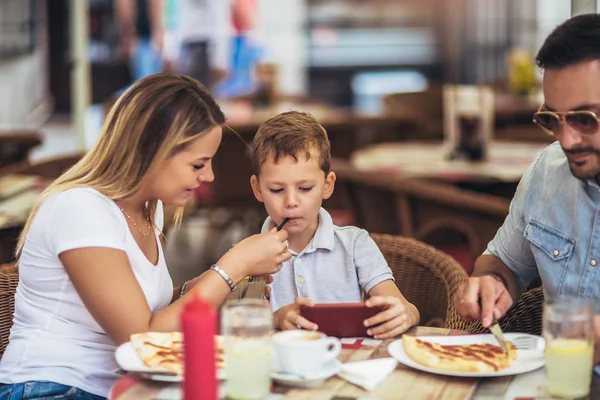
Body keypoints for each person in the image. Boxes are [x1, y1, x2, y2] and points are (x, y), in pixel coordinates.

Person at [0, 73, 291, 399]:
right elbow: (144, 336)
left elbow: (145, 311)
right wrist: (232, 267)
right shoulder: (80, 208)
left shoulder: (150, 210)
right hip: (51, 387)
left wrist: (216, 284)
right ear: (152, 152)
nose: (208, 176)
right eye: (198, 164)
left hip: (123, 387)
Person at [453, 13, 600, 363]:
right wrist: (491, 281)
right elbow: (502, 263)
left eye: (584, 119)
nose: (566, 140)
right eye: (552, 119)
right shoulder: (547, 171)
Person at [250, 111, 419, 339]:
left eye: (305, 188)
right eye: (277, 190)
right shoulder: (246, 256)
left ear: (327, 185)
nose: (291, 202)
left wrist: (406, 313)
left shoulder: (355, 244)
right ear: (258, 189)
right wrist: (277, 317)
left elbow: (402, 306)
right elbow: (237, 321)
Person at [114, 0, 164, 81]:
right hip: (139, 39)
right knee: (146, 79)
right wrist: (128, 37)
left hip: (150, 39)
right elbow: (125, 15)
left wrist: (158, 33)